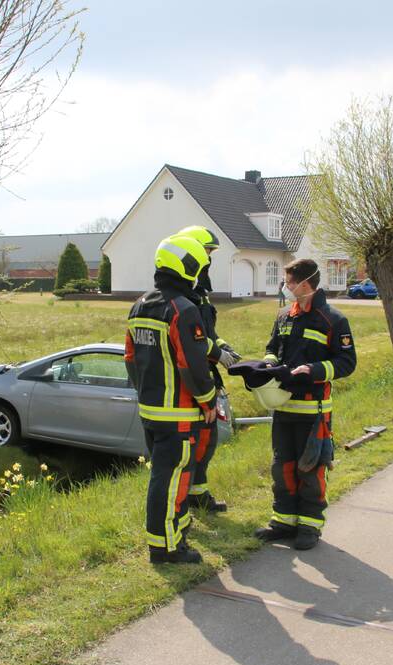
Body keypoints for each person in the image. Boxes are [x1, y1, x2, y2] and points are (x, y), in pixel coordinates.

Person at [125, 234, 218, 564]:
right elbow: (192, 365)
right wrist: (208, 402)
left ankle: (175, 533)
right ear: (188, 267)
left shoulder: (139, 304)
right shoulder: (183, 309)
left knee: (165, 477)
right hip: (178, 414)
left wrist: (145, 393)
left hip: (150, 410)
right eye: (199, 267)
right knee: (171, 481)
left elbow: (130, 358)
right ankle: (165, 548)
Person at [254, 259, 356, 551]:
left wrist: (314, 370)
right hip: (283, 407)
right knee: (282, 467)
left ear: (305, 283)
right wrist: (268, 364)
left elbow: (347, 362)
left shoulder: (333, 320)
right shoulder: (284, 315)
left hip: (314, 411)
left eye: (289, 282)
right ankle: (283, 521)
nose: (286, 287)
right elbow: (272, 348)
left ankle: (310, 526)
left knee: (310, 469)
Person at [173, 225, 242, 513]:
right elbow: (195, 342)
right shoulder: (183, 297)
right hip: (190, 379)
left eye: (211, 254)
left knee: (207, 439)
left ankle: (198, 494)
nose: (209, 259)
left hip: (204, 372)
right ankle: (185, 500)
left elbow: (209, 334)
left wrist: (225, 348)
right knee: (194, 442)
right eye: (206, 252)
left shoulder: (200, 294)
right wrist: (218, 354)